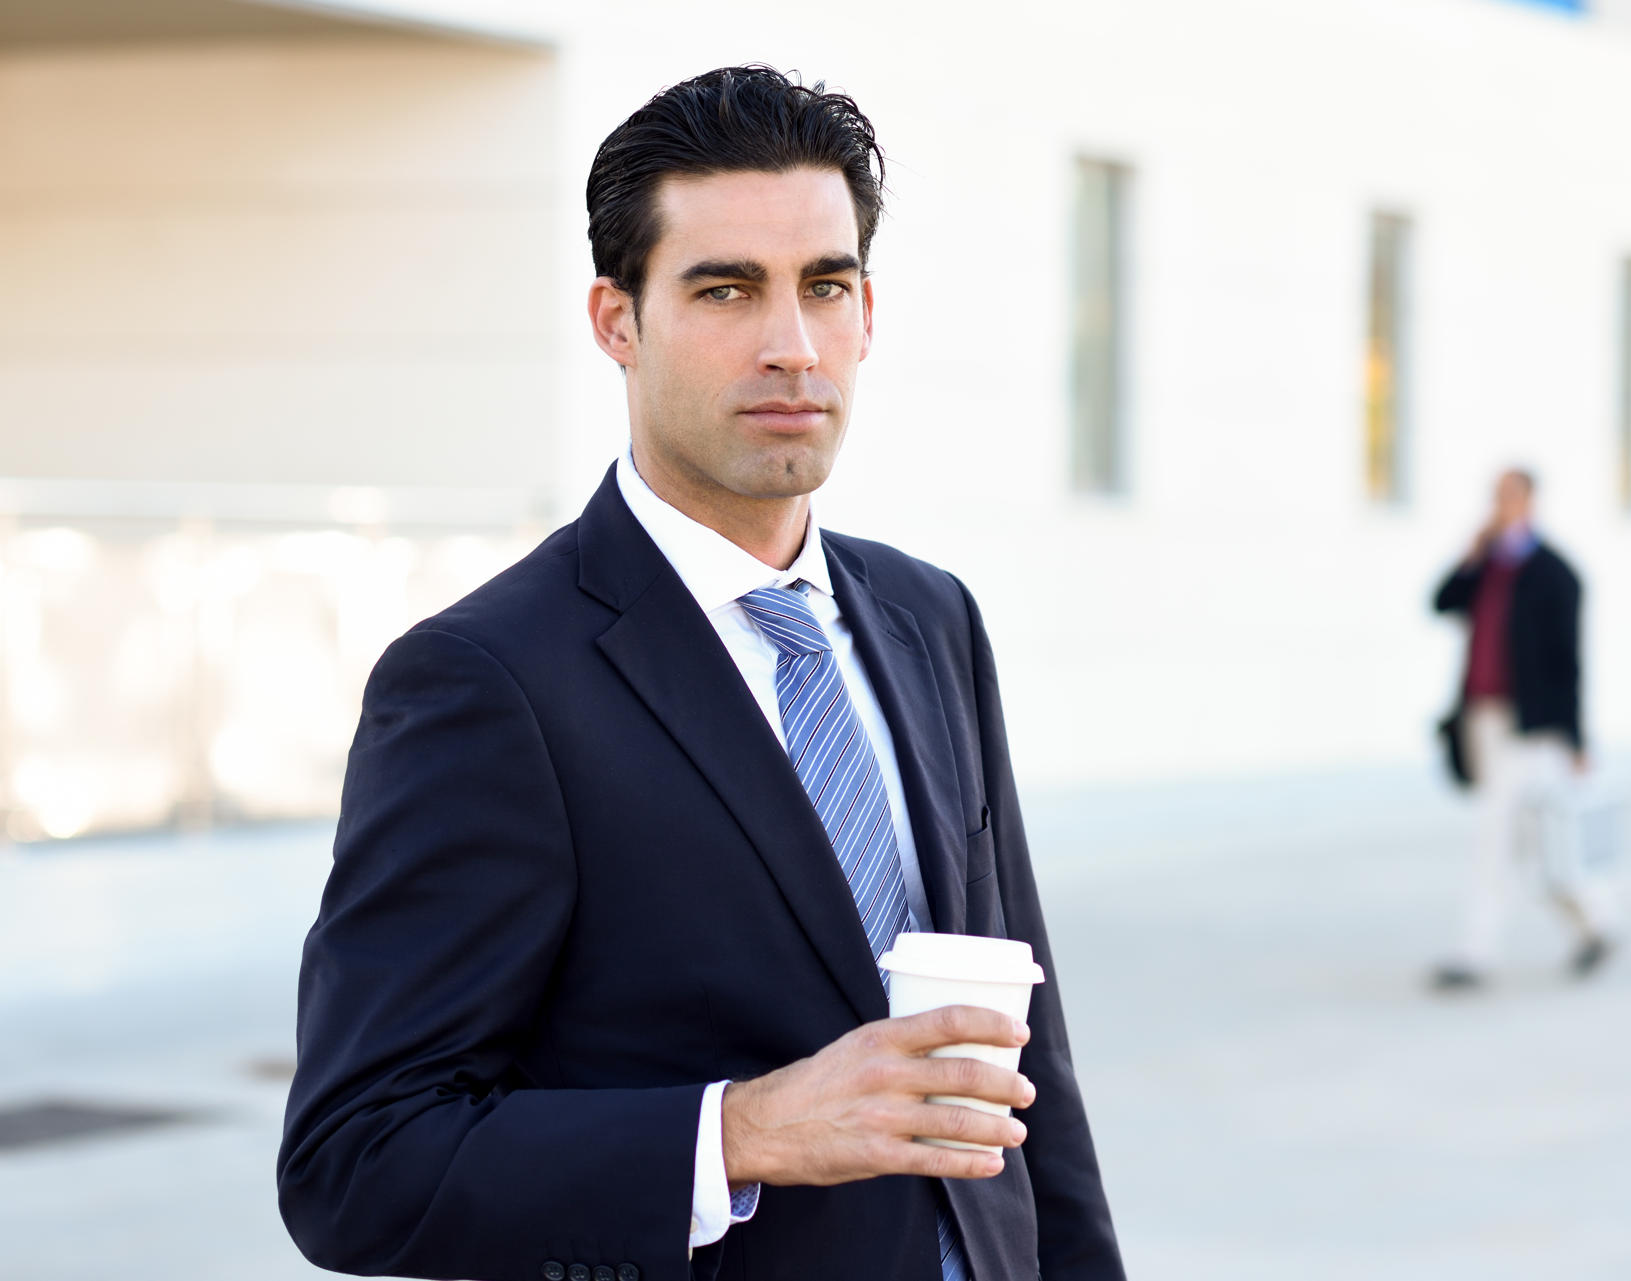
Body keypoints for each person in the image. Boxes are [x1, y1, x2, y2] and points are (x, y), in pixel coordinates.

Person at [277, 66, 1126, 1281]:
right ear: (617, 320)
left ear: (868, 314)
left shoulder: (931, 619)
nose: (791, 347)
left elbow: (1032, 1081)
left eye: (824, 287)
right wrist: (742, 1131)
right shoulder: (485, 682)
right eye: (726, 290)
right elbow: (357, 1165)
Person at [1429, 468, 1617, 990]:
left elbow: (1570, 662)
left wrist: (1576, 738)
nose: (1500, 505)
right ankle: (1597, 923)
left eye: (1510, 496)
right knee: (1532, 840)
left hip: (1530, 727)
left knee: (1502, 834)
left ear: (1531, 500)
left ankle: (1476, 952)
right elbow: (1441, 603)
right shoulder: (1486, 565)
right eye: (1495, 496)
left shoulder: (1555, 573)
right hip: (1482, 718)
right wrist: (1470, 554)